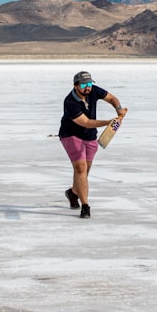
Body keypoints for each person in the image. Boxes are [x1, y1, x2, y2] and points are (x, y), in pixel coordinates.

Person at [58, 71, 126, 219]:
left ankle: (73, 193)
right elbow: (87, 123)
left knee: (84, 172)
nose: (88, 88)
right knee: (80, 168)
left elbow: (111, 98)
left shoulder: (94, 90)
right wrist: (109, 122)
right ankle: (85, 206)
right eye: (84, 85)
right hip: (71, 135)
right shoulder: (69, 102)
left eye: (89, 84)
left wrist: (119, 108)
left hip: (89, 137)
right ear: (76, 86)